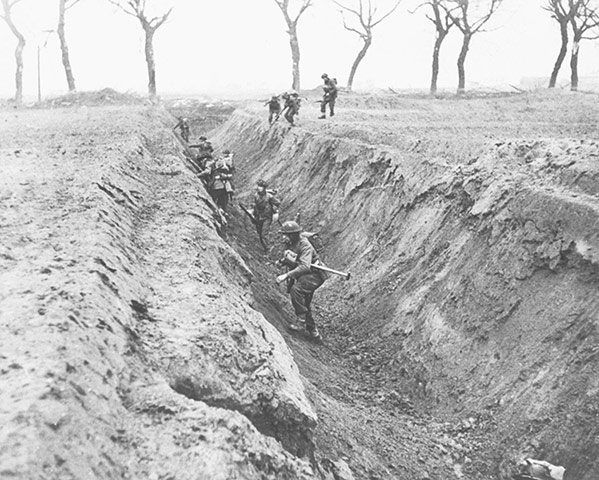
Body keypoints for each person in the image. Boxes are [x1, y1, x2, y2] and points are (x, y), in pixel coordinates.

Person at [275, 221, 328, 340]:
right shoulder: (290, 243)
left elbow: (305, 266)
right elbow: (290, 256)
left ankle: (301, 320)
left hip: (315, 275)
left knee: (296, 290)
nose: (284, 237)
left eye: (286, 235)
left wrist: (286, 275)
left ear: (294, 235)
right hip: (303, 275)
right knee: (305, 303)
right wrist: (282, 262)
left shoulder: (305, 245)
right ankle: (314, 332)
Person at [252, 179, 280, 250]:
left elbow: (277, 203)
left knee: (264, 234)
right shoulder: (256, 196)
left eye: (261, 187)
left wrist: (274, 209)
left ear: (264, 188)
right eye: (259, 186)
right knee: (260, 233)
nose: (259, 188)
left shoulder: (269, 196)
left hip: (267, 217)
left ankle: (268, 248)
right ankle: (264, 247)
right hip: (259, 217)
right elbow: (255, 205)